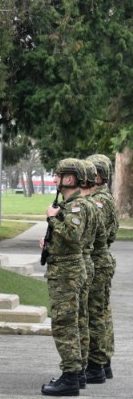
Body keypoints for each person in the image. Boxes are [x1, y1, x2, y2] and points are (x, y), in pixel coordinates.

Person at [40, 158, 88, 396]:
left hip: (67, 273)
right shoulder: (70, 205)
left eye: (59, 176)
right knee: (72, 322)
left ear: (69, 179)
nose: (55, 179)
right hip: (66, 269)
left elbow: (73, 234)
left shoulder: (76, 206)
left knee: (64, 323)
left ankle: (70, 376)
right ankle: (76, 373)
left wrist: (52, 217)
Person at [85, 154, 118, 380]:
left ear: (98, 175)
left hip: (97, 259)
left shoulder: (99, 200)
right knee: (102, 312)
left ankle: (96, 364)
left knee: (95, 313)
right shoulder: (103, 197)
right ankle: (103, 361)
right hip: (101, 259)